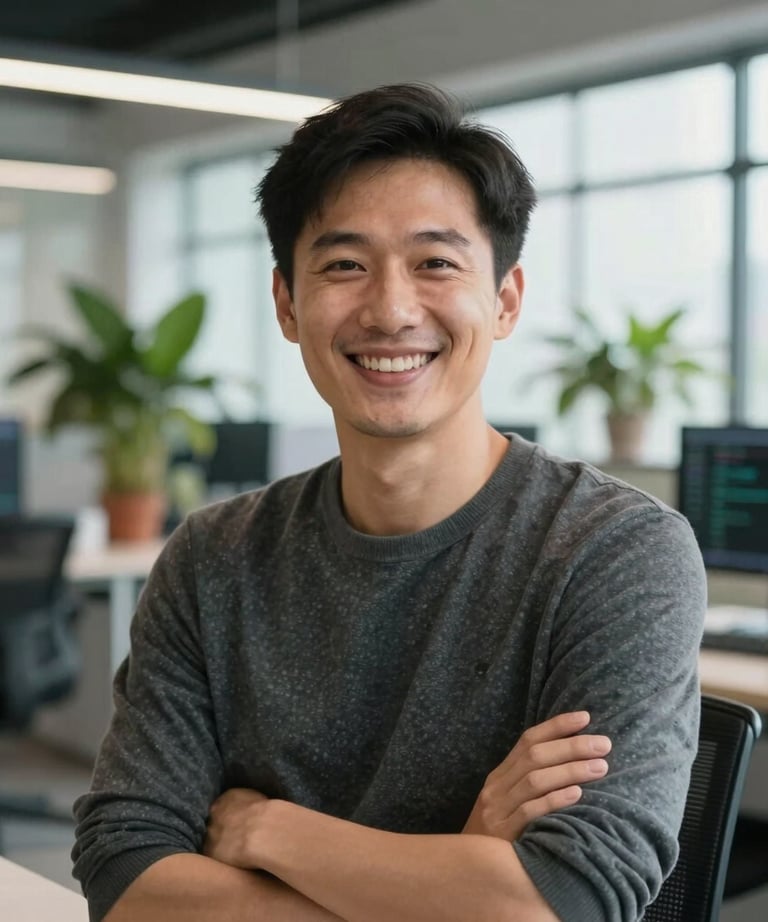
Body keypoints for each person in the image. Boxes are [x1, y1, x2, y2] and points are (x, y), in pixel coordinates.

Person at [72, 83, 706, 922]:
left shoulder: (613, 550)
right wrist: (455, 878)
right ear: (287, 304)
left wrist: (271, 832)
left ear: (505, 300)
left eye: (436, 263)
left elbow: (568, 900)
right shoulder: (212, 558)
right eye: (344, 265)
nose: (392, 310)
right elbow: (124, 871)